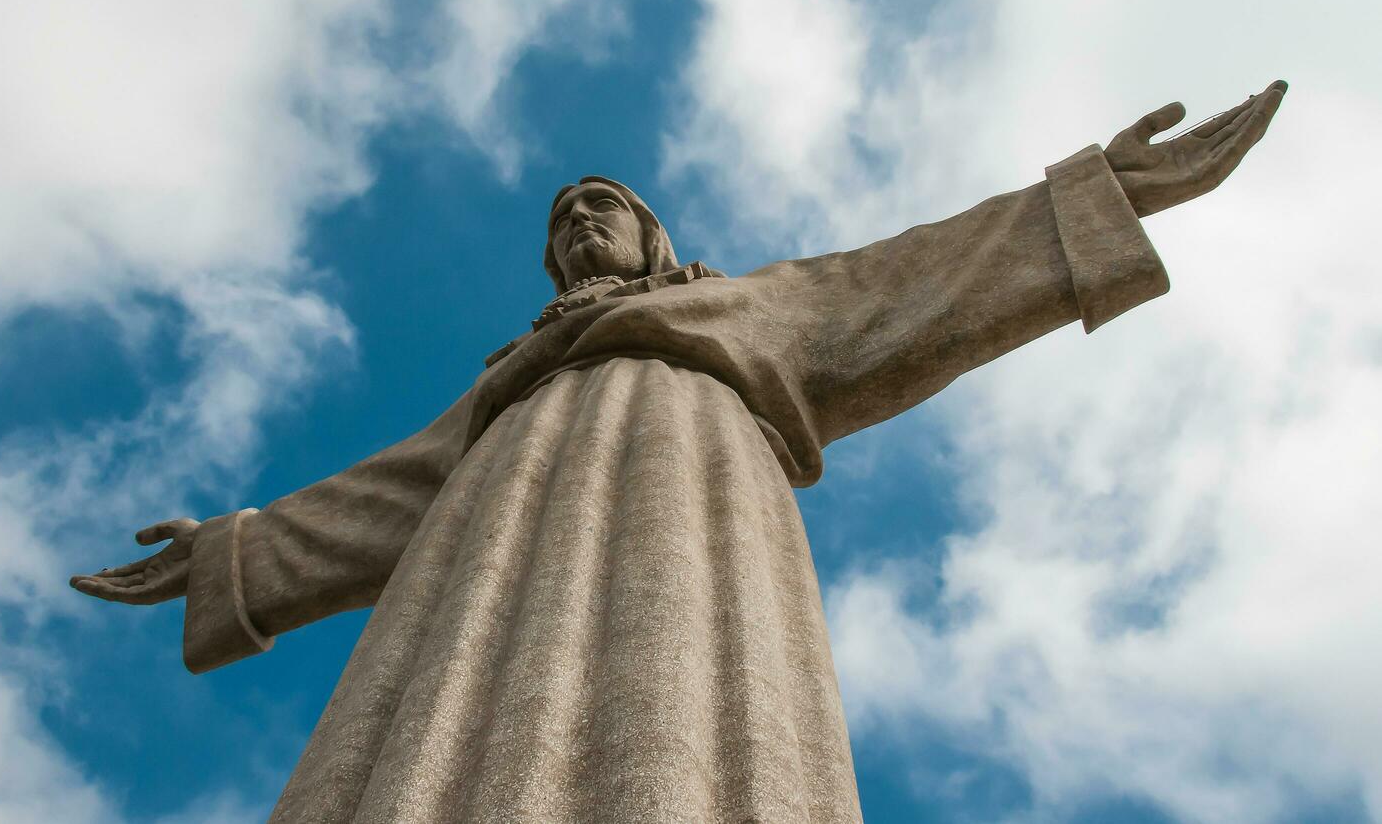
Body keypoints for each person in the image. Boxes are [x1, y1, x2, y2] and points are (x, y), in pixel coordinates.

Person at [73, 82, 1286, 824]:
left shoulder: (746, 311)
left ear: (652, 240)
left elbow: (916, 274)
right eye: (561, 222)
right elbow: (387, 491)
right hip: (489, 542)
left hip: (693, 493)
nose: (576, 222)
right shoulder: (507, 388)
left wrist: (1089, 199)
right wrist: (234, 550)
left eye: (600, 206)